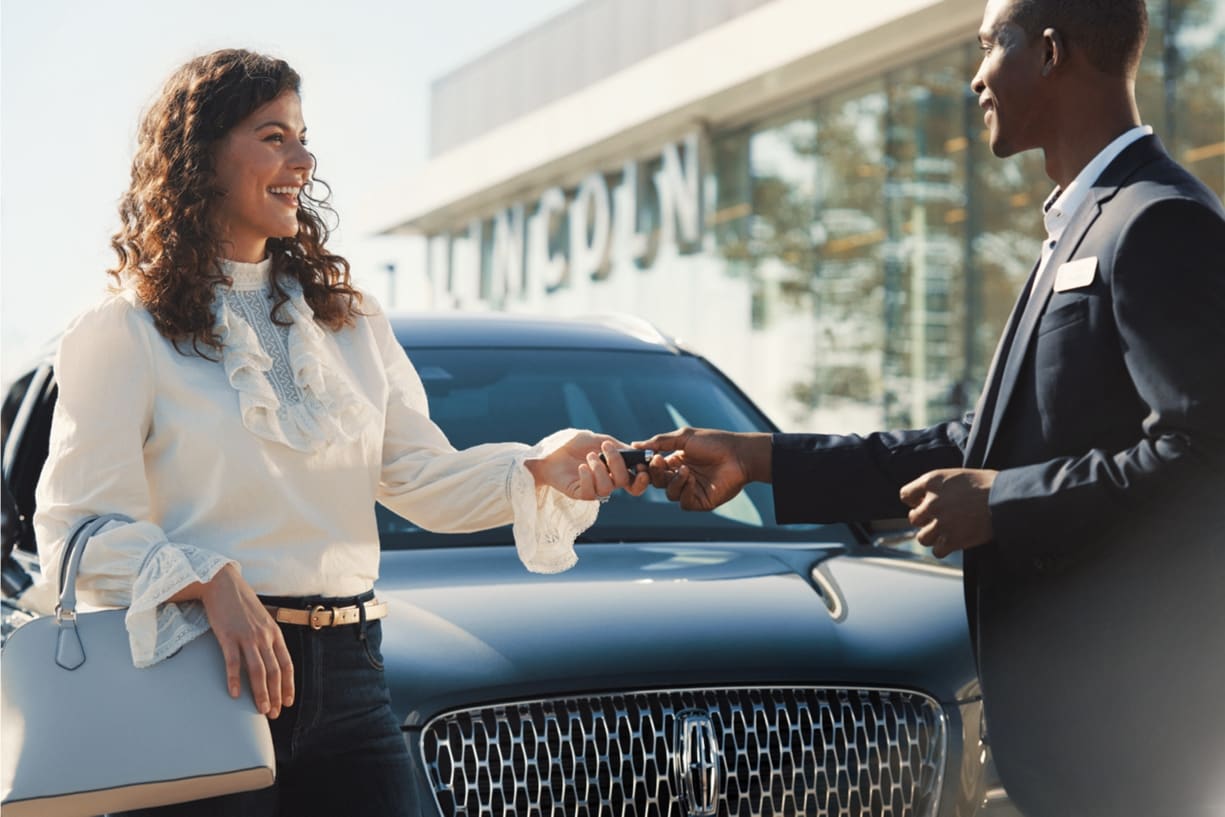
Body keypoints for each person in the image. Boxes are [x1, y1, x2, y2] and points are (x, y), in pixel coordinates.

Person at [637, 0, 1225, 814]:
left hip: (1127, 740)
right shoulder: (1078, 228)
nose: (976, 75)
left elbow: (1204, 460)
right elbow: (969, 446)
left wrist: (1000, 503)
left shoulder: (1157, 220)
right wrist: (755, 458)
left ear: (1049, 53)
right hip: (1055, 737)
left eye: (992, 45)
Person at [32, 48, 647, 817]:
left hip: (353, 675)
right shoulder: (125, 329)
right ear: (201, 159)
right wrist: (209, 577)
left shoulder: (346, 322)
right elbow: (76, 530)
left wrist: (538, 468)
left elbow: (420, 477)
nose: (303, 158)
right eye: (273, 136)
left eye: (302, 135)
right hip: (200, 672)